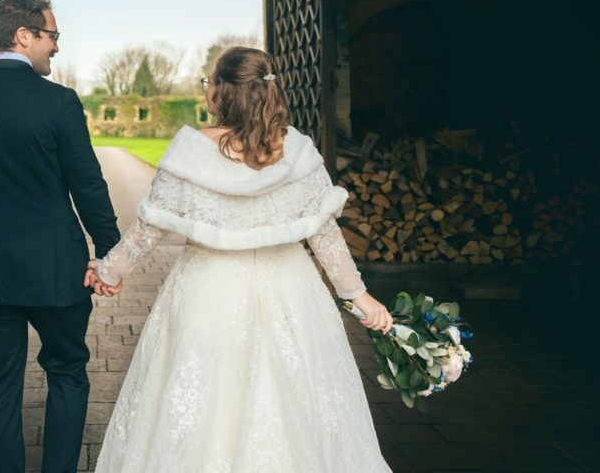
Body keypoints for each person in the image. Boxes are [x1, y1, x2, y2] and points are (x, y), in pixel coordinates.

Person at [87, 46, 394, 472]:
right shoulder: (299, 152)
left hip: (208, 294)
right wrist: (361, 299)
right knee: (296, 408)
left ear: (219, 94)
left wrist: (107, 270)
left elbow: (148, 231)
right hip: (291, 293)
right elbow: (327, 238)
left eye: (208, 81)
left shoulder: (191, 151)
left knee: (204, 411)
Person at [0, 0, 122, 473]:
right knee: (68, 372)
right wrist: (112, 255)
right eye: (52, 36)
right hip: (56, 272)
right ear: (23, 35)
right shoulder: (58, 103)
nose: (56, 47)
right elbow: (88, 186)